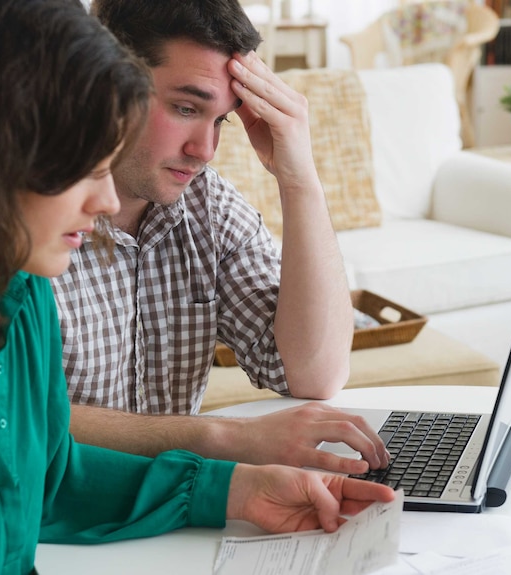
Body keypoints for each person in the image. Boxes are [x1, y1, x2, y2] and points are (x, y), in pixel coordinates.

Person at [0, 0, 395, 572]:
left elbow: (52, 476)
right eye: (85, 164)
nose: (103, 202)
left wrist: (238, 490)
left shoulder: (15, 304)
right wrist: (227, 443)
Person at [52, 0, 390, 474]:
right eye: (186, 108)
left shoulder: (206, 204)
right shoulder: (28, 219)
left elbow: (315, 375)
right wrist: (222, 438)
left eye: (221, 120)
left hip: (177, 507)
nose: (204, 151)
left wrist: (299, 180)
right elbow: (10, 423)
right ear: (104, 82)